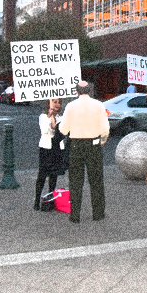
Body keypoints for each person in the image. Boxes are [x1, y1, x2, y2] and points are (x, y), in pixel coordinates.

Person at [59, 81, 110, 223]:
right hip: (93, 144)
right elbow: (105, 129)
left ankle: (75, 214)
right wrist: (102, 141)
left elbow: (63, 129)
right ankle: (98, 213)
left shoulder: (70, 106)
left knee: (75, 181)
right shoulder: (99, 105)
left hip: (76, 144)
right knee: (96, 181)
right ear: (90, 90)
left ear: (76, 91)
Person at [34, 98, 66, 211]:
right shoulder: (43, 117)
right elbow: (45, 130)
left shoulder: (61, 117)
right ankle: (37, 200)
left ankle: (50, 199)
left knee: (54, 175)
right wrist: (50, 116)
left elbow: (62, 132)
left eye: (59, 102)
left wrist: (55, 123)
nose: (57, 104)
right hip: (46, 148)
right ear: (49, 103)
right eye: (54, 102)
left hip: (58, 148)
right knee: (42, 175)